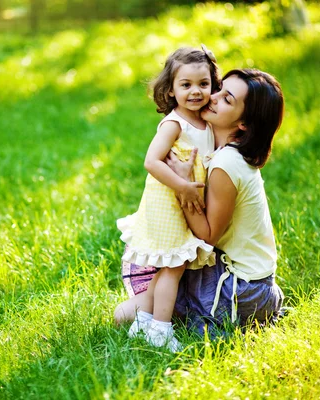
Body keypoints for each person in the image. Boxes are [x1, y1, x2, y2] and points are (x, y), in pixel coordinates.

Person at [115, 68, 285, 349]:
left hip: (240, 288)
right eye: (219, 89)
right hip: (247, 278)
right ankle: (152, 318)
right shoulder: (218, 154)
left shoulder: (226, 164)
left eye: (227, 99)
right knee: (142, 301)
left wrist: (183, 184)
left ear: (243, 124)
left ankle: (158, 326)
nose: (213, 97)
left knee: (128, 313)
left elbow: (207, 236)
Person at [116, 46, 222, 352]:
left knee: (169, 268)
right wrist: (184, 187)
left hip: (183, 204)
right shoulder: (174, 123)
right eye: (185, 85)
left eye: (203, 84)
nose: (195, 91)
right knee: (173, 268)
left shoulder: (204, 121)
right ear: (171, 90)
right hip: (169, 206)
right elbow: (151, 161)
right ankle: (160, 330)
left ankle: (142, 323)